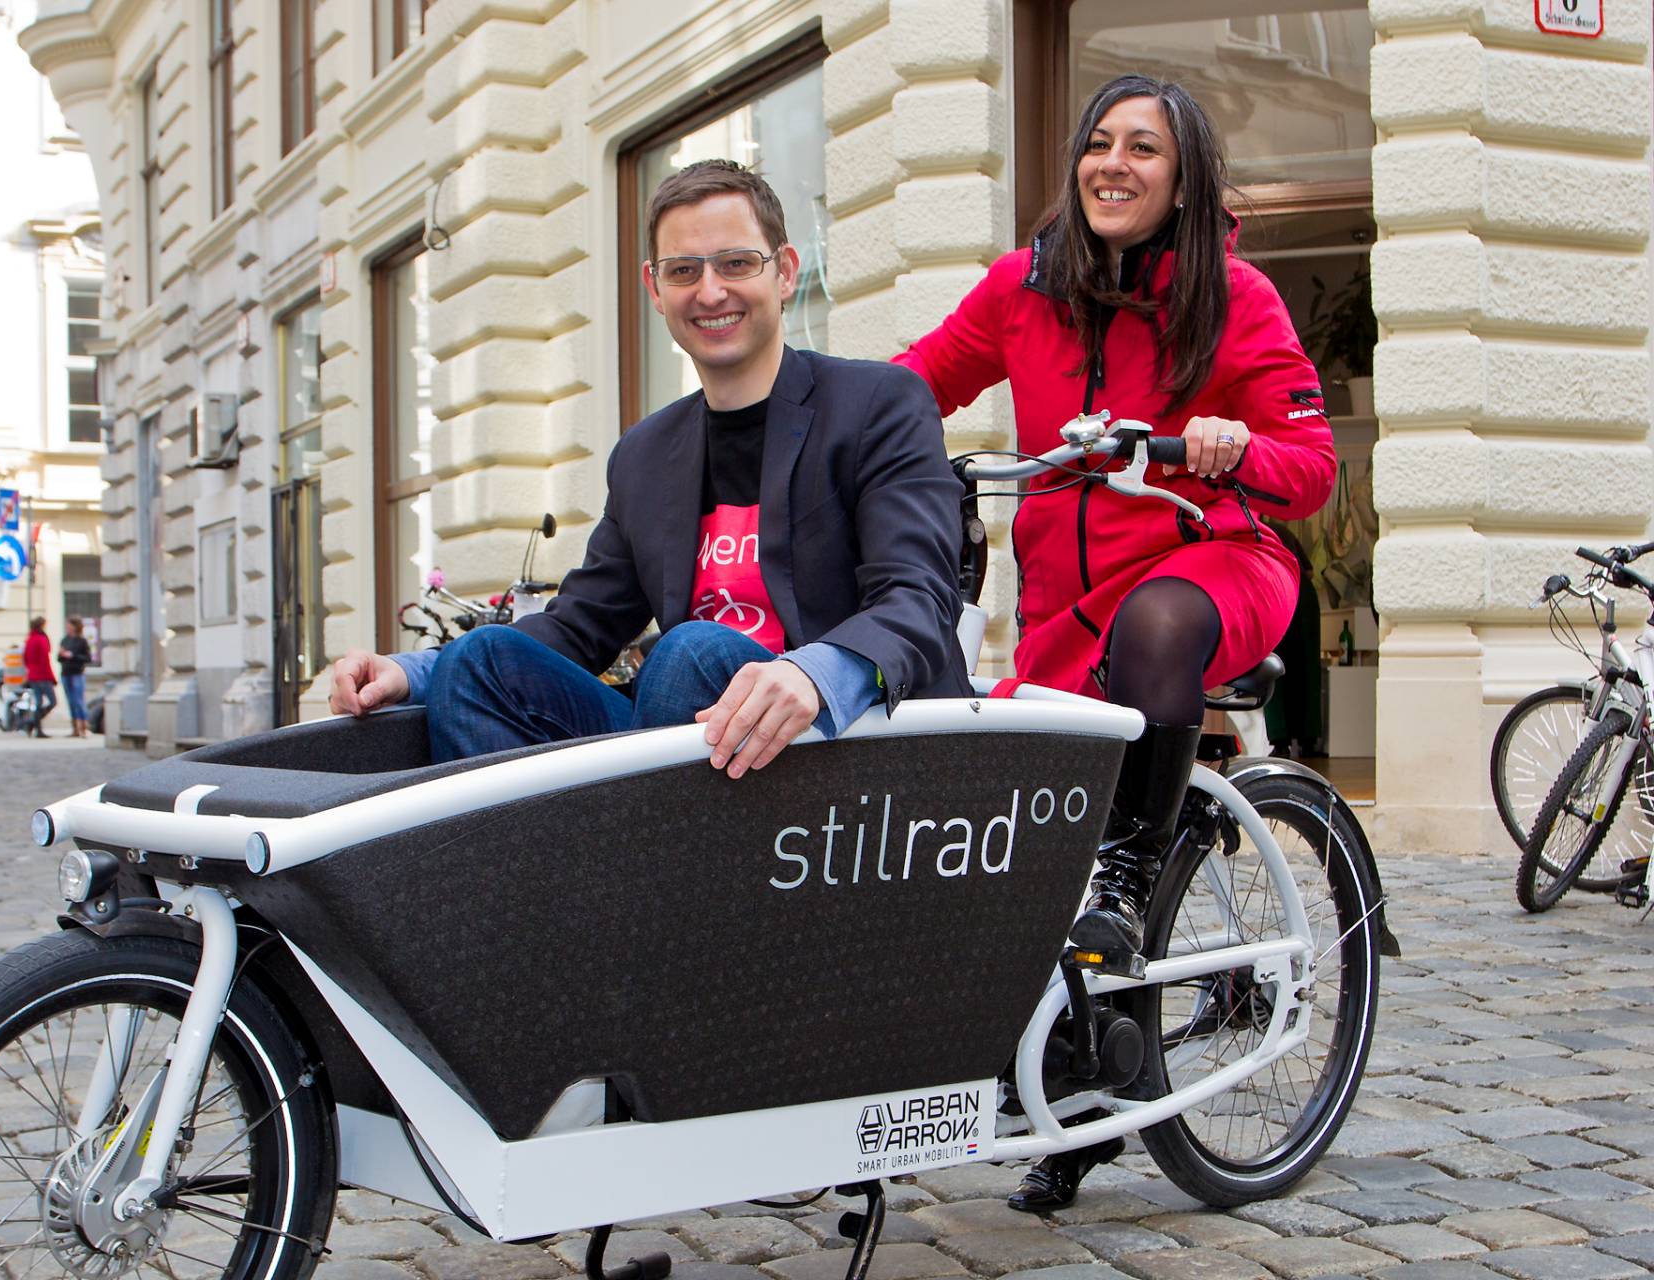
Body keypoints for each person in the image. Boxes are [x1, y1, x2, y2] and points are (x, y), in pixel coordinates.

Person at [894, 74, 1335, 1209]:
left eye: (1145, 148)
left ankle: (1134, 878)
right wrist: (808, 417)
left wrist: (1221, 444)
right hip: (1066, 601)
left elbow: (1311, 467)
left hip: (1214, 562)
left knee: (1156, 632)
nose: (1114, 163)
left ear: (1182, 179)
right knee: (1026, 832)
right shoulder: (1021, 289)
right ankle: (1082, 1096)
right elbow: (915, 383)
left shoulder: (1234, 296)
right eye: (1099, 142)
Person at [330, 159, 969, 768]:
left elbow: (918, 600)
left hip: (842, 743)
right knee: (481, 660)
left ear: (784, 272)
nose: (711, 290)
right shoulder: (645, 454)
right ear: (655, 289)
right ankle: (550, 877)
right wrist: (413, 673)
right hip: (690, 746)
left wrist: (814, 671)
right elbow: (578, 628)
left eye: (737, 263)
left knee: (688, 651)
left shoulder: (877, 403)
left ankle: (626, 869)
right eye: (684, 270)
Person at [22, 616, 57, 740]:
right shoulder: (41, 639)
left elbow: (25, 659)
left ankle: (35, 726)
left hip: (33, 676)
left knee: (39, 703)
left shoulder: (29, 639)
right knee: (52, 702)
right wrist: (52, 677)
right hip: (42, 676)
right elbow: (45, 661)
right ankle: (33, 724)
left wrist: (31, 670)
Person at [58, 616, 92, 738]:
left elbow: (88, 658)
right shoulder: (65, 640)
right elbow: (59, 658)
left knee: (79, 701)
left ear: (75, 626)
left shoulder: (82, 641)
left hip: (77, 673)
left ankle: (84, 727)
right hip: (66, 673)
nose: (67, 627)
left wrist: (72, 655)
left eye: (69, 625)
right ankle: (75, 729)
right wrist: (62, 655)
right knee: (71, 702)